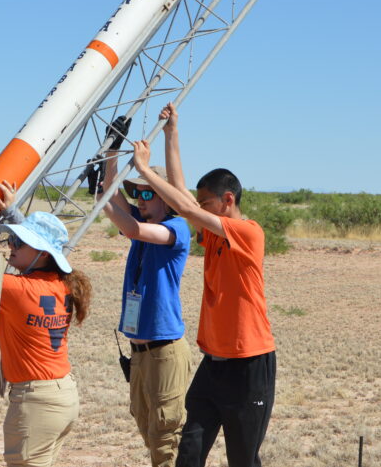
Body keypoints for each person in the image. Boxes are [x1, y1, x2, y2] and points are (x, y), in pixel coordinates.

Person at [133, 104, 276, 467]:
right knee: (190, 450)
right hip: (214, 364)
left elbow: (185, 206)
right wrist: (172, 133)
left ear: (228, 201)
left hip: (249, 364)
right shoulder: (212, 233)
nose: (199, 208)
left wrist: (146, 171)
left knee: (243, 459)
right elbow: (181, 193)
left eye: (207, 202)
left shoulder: (248, 233)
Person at [0, 181, 92, 467]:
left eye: (18, 242)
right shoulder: (62, 283)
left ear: (41, 253)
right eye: (12, 240)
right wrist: (13, 213)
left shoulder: (16, 289)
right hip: (62, 396)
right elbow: (41, 251)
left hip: (36, 402)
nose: (10, 246)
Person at [101, 148, 191, 467]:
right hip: (139, 354)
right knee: (147, 430)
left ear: (166, 198)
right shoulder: (141, 222)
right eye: (136, 192)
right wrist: (111, 157)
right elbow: (111, 198)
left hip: (164, 352)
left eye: (148, 193)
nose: (140, 198)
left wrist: (109, 197)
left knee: (165, 438)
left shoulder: (177, 228)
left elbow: (130, 227)